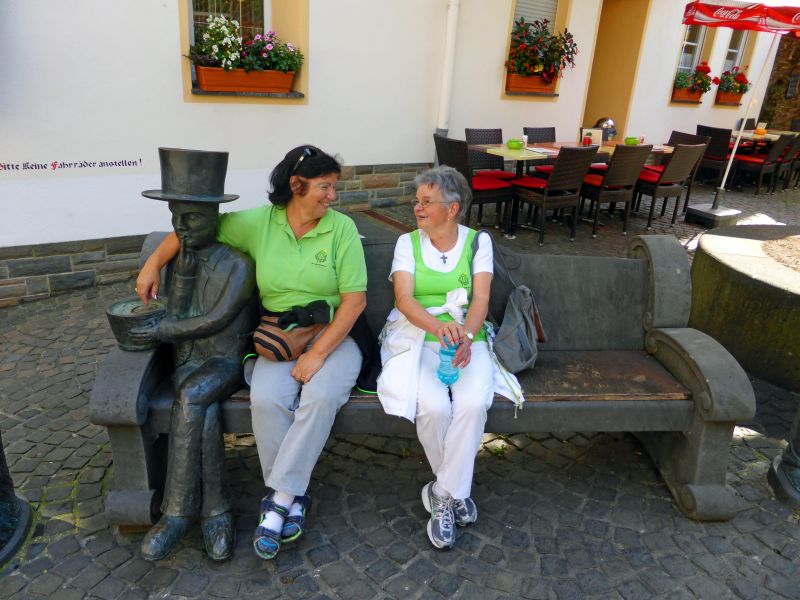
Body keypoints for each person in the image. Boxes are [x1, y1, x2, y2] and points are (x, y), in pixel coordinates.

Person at [136, 145, 367, 560]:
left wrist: (318, 355)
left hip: (334, 337)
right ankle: (292, 498)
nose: (333, 196)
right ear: (296, 186)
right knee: (265, 399)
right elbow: (197, 228)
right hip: (279, 339)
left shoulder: (341, 229)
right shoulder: (261, 223)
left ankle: (279, 500)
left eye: (334, 188)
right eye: (325, 187)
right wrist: (153, 263)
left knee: (320, 397)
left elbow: (354, 302)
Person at [377, 166, 521, 550]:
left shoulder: (478, 243)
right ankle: (456, 493)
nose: (417, 208)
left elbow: (480, 300)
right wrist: (438, 329)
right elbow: (404, 299)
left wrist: (467, 338)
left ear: (452, 209)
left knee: (474, 404)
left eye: (427, 202)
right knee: (435, 408)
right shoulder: (407, 243)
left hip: (466, 336)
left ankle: (441, 493)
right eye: (417, 201)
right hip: (417, 336)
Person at [133, 148, 258, 562]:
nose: (181, 228)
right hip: (189, 362)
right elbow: (178, 316)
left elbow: (217, 319)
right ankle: (214, 513)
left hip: (225, 361)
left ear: (216, 218)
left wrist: (163, 328)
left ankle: (175, 515)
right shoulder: (181, 262)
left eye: (192, 219)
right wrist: (178, 275)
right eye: (175, 219)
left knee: (191, 396)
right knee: (198, 406)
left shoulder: (238, 264)